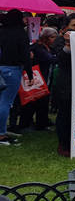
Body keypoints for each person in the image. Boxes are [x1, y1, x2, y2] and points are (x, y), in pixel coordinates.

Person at [0, 10, 33, 145]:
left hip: (1, 67)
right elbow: (25, 55)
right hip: (12, 69)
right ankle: (1, 134)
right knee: (6, 102)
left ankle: (2, 129)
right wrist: (30, 73)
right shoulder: (20, 33)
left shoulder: (1, 30)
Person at [19, 27, 58, 131]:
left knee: (43, 102)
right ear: (46, 37)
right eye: (52, 37)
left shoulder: (49, 48)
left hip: (45, 78)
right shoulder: (39, 48)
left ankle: (42, 122)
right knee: (33, 102)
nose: (54, 39)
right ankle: (27, 123)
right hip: (38, 77)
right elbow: (50, 59)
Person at [54, 14, 75, 156]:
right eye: (73, 26)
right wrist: (68, 45)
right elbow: (60, 59)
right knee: (64, 114)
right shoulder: (60, 40)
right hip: (65, 83)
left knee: (74, 115)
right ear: (66, 27)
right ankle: (63, 144)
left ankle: (73, 142)